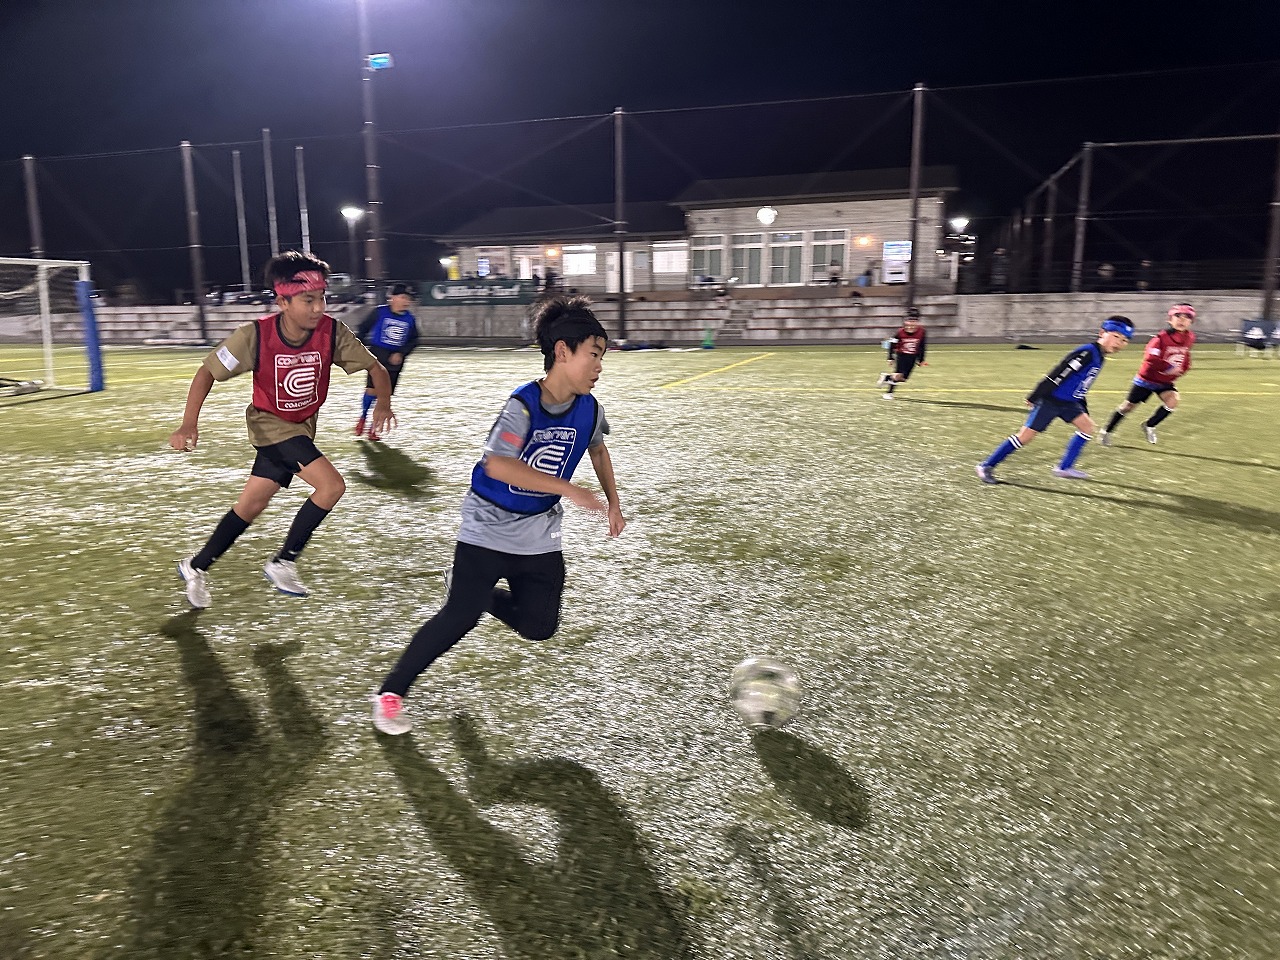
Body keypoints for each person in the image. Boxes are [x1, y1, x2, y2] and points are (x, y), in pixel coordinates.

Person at [372, 295, 625, 735]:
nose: (599, 367)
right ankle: (391, 694)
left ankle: (482, 595)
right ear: (562, 352)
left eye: (601, 357)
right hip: (487, 526)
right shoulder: (523, 405)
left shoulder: (590, 409)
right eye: (594, 354)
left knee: (539, 626)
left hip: (538, 534)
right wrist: (569, 489)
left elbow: (597, 450)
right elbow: (497, 465)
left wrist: (614, 503)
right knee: (459, 618)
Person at [169, 251, 396, 609]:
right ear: (282, 301)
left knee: (251, 505)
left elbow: (376, 368)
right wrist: (188, 423)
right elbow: (207, 371)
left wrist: (382, 403)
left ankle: (195, 566)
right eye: (308, 300)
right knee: (332, 486)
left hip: (300, 430)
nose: (318, 307)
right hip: (269, 426)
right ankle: (284, 561)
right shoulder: (255, 336)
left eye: (321, 298)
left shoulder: (332, 332)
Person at [975, 316, 1132, 484]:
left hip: (1069, 403)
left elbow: (1082, 383)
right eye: (1116, 336)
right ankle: (986, 466)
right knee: (1025, 437)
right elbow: (1060, 373)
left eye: (1124, 340)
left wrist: (1082, 405)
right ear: (1102, 333)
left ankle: (1064, 468)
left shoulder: (1100, 356)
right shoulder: (1087, 352)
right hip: (1051, 400)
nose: (1119, 343)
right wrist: (1036, 394)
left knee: (1087, 427)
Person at [1099, 303, 1196, 446]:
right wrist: (1169, 367)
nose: (1181, 320)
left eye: (1186, 317)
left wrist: (1185, 367)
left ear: (1191, 321)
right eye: (1177, 316)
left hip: (1164, 382)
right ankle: (1107, 431)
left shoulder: (1190, 337)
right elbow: (1151, 358)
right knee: (1127, 407)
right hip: (1147, 380)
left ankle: (1149, 425)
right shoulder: (1160, 338)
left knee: (1173, 401)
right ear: (1170, 320)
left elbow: (1185, 353)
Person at [355, 282, 419, 441]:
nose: (406, 301)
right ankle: (363, 417)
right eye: (403, 297)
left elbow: (414, 340)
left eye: (408, 298)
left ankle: (373, 428)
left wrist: (401, 353)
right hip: (378, 354)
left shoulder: (410, 319)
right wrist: (359, 348)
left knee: (385, 395)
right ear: (392, 298)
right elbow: (362, 329)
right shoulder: (380, 312)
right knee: (372, 390)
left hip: (395, 361)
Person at [876, 307, 927, 400]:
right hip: (902, 356)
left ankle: (887, 377)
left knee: (903, 379)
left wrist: (921, 359)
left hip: (912, 357)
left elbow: (922, 345)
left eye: (914, 321)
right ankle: (889, 393)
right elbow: (892, 343)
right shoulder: (900, 332)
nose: (912, 324)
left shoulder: (922, 332)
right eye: (910, 321)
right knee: (897, 374)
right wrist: (890, 357)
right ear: (905, 321)